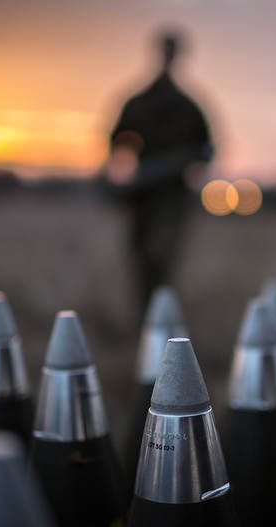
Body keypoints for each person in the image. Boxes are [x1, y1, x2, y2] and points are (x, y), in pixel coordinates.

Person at [106, 29, 214, 317]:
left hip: (173, 198)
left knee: (165, 261)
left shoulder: (189, 108)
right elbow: (116, 143)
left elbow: (206, 151)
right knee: (140, 259)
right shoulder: (139, 102)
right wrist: (121, 179)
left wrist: (189, 169)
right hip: (143, 197)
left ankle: (161, 319)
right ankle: (142, 319)